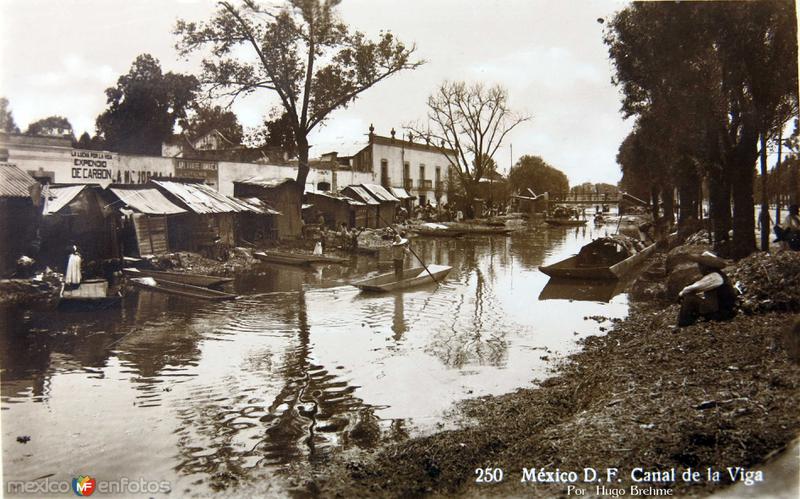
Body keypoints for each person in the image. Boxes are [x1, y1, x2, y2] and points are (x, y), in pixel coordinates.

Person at [677, 251, 737, 327]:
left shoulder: (714, 277)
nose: (699, 267)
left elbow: (694, 287)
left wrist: (681, 294)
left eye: (701, 265)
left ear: (707, 266)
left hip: (722, 313)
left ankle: (683, 324)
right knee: (693, 298)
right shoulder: (717, 275)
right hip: (724, 311)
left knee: (689, 298)